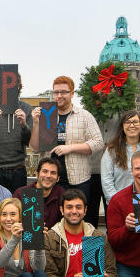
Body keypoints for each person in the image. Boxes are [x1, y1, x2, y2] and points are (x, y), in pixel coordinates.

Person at [29, 76, 103, 208]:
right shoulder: (46, 115)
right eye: (56, 92)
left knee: (76, 218)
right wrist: (35, 123)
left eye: (63, 92)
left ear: (72, 93)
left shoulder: (84, 116)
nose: (59, 96)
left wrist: (70, 148)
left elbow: (98, 143)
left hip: (78, 180)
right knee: (51, 219)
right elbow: (34, 148)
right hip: (50, 180)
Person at [0, 73, 32, 192]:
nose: (9, 89)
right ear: (0, 86)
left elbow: (28, 142)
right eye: (5, 85)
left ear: (18, 87)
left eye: (13, 85)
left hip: (18, 170)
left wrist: (24, 125)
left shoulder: (27, 108)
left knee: (18, 207)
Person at [100, 110, 140, 204]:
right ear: (122, 127)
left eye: (135, 122)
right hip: (119, 203)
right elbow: (107, 180)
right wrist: (116, 202)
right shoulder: (112, 150)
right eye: (127, 122)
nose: (131, 125)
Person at [13, 157, 65, 229]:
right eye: (45, 171)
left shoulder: (62, 194)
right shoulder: (21, 194)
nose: (48, 176)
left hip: (53, 237)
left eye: (53, 173)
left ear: (58, 178)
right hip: (26, 237)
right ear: (37, 174)